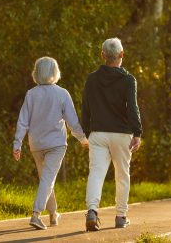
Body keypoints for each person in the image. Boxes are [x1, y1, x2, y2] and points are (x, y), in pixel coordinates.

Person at [13, 56, 89, 230]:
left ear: (36, 73)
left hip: (36, 144)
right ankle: (36, 214)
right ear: (55, 72)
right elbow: (72, 122)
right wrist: (83, 139)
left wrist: (17, 144)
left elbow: (22, 121)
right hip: (56, 144)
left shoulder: (31, 94)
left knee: (46, 179)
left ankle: (53, 214)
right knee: (47, 179)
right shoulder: (62, 93)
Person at [81, 38, 142, 231]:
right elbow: (133, 108)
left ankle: (92, 211)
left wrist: (86, 132)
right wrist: (137, 132)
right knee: (122, 176)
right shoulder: (128, 80)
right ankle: (120, 217)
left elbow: (86, 108)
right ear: (122, 55)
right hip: (122, 134)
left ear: (102, 55)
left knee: (96, 174)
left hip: (98, 134)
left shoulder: (92, 79)